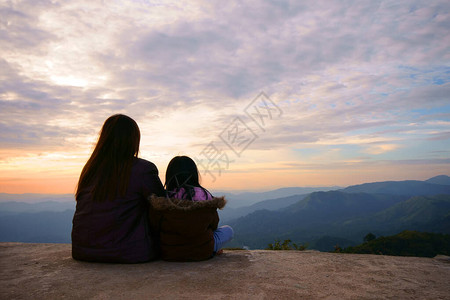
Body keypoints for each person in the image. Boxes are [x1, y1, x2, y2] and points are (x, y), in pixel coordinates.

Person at [72, 114, 165, 263]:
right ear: (133, 140)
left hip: (83, 251)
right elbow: (164, 207)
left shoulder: (90, 169)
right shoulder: (143, 169)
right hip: (130, 252)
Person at [148, 156, 234, 261]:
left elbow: (155, 225)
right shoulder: (204, 195)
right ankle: (214, 249)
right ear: (194, 174)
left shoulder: (165, 198)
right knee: (228, 230)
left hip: (170, 252)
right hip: (203, 250)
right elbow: (214, 224)